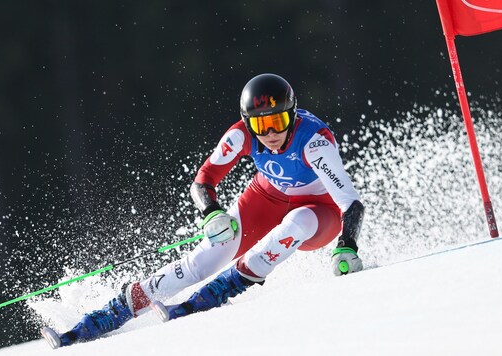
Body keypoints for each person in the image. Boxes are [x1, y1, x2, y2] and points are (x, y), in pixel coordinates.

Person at [41, 73, 365, 349]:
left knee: (300, 220)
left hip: (317, 212)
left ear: (292, 115)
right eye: (261, 126)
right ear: (249, 123)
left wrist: (347, 245)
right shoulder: (241, 135)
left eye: (278, 122)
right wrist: (213, 213)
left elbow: (350, 203)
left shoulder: (314, 141)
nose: (270, 135)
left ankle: (217, 293)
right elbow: (203, 180)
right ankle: (107, 315)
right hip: (265, 198)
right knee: (208, 255)